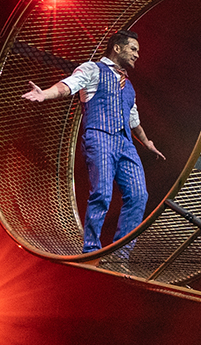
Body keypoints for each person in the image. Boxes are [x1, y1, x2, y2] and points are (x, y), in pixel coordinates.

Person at [23, 29, 166, 254]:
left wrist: (146, 142)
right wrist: (45, 94)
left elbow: (133, 119)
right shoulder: (92, 69)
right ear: (117, 48)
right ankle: (91, 248)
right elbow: (67, 85)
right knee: (102, 192)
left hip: (125, 143)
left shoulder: (128, 86)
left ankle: (121, 253)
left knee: (139, 195)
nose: (137, 55)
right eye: (133, 49)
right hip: (99, 136)